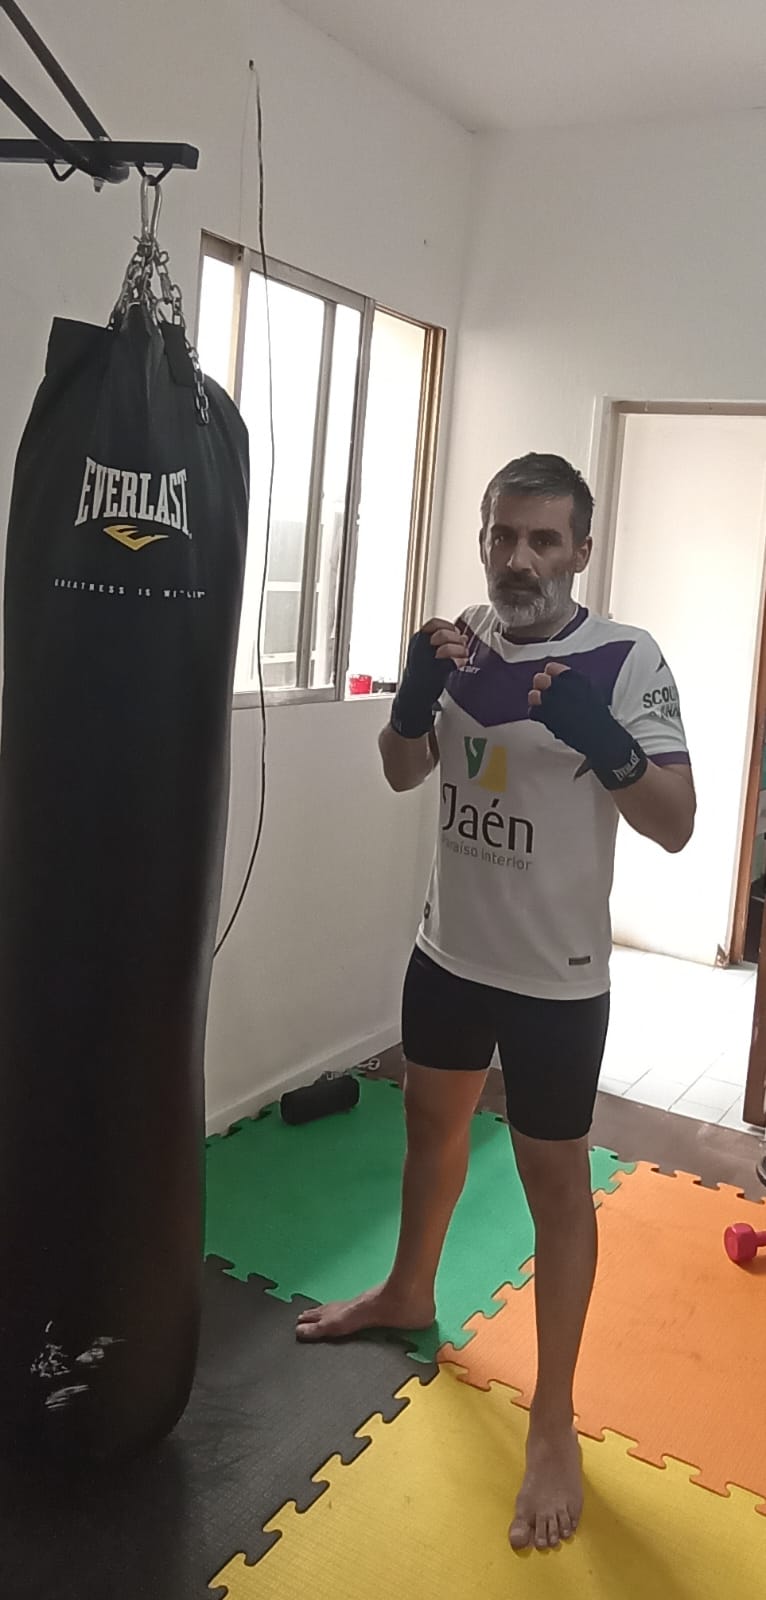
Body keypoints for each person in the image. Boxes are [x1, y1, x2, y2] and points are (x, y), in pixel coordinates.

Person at [296, 453, 696, 1552]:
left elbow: (674, 822)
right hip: (450, 952)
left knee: (551, 1183)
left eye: (542, 539)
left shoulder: (623, 658)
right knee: (429, 1132)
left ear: (579, 548)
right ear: (482, 537)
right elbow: (399, 772)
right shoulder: (458, 642)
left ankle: (554, 1416)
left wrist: (600, 736)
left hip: (557, 981)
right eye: (501, 534)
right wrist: (412, 707)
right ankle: (406, 1291)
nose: (518, 558)